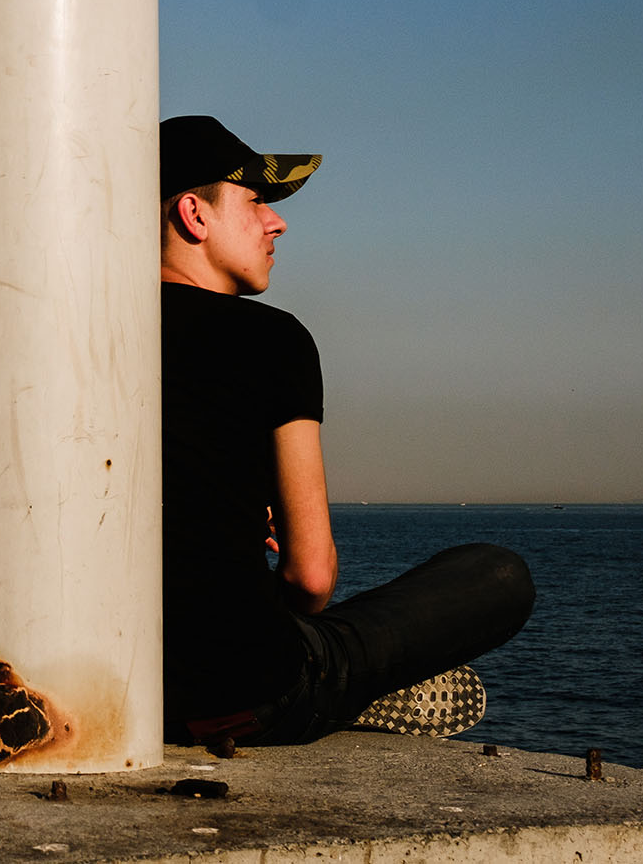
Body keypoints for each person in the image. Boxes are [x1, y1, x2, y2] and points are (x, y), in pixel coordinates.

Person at [159, 115, 533, 747]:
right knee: (498, 575)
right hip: (237, 694)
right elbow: (310, 575)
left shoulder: (76, 334)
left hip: (111, 693)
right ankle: (357, 681)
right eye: (256, 203)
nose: (277, 223)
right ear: (195, 215)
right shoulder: (272, 340)